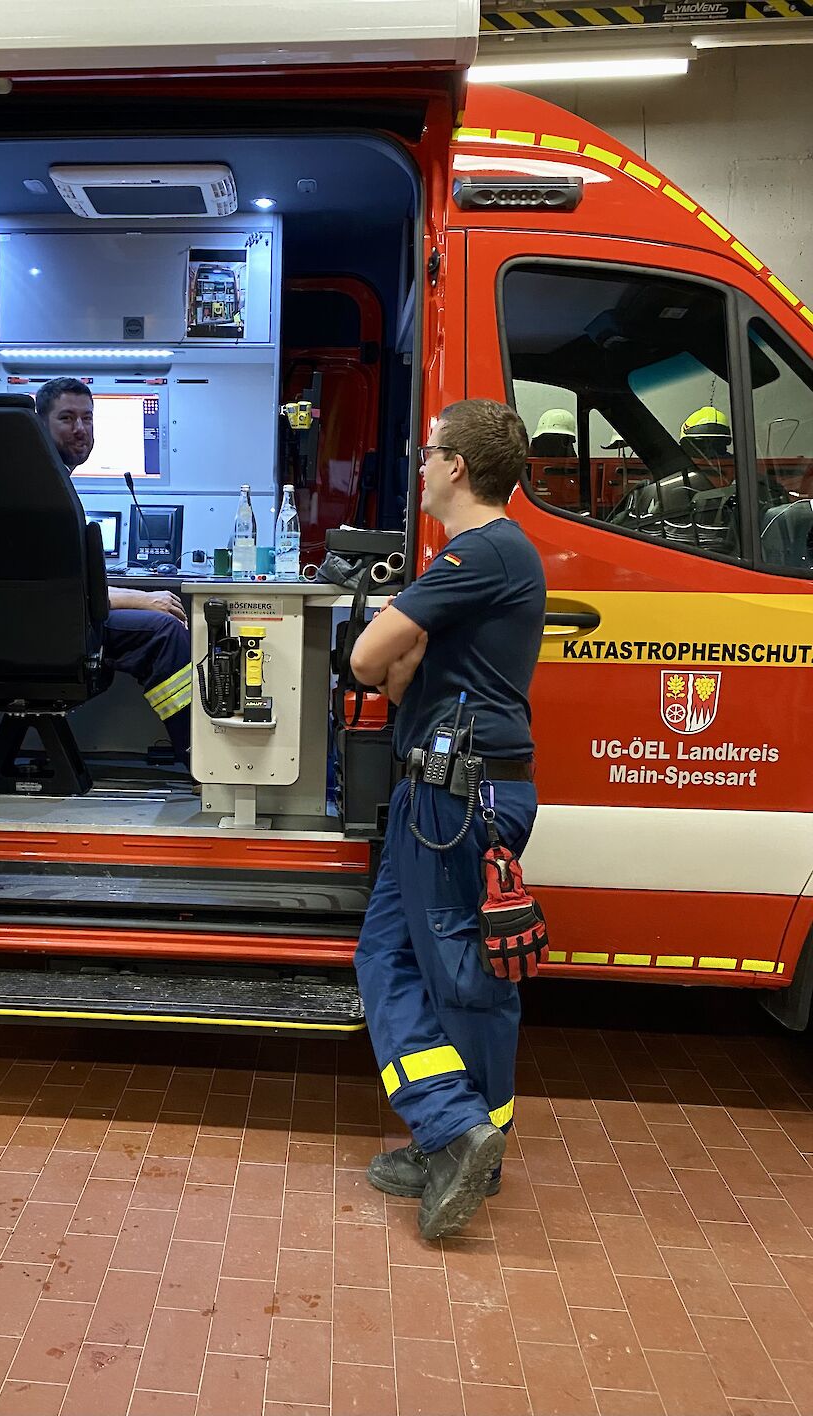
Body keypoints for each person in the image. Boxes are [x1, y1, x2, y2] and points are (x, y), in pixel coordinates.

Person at [349, 398, 546, 1240]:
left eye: (429, 454)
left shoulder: (479, 552)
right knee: (387, 956)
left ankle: (467, 1137)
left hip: (456, 797)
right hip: (438, 785)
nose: (421, 466)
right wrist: (409, 661)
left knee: (462, 977)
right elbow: (395, 685)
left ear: (457, 467)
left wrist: (395, 647)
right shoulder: (487, 558)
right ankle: (448, 1132)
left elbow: (363, 658)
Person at [35, 377, 192, 763]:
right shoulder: (42, 490)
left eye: (87, 418)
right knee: (165, 632)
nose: (80, 429)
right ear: (40, 424)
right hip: (51, 629)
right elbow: (68, 593)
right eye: (67, 418)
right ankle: (198, 754)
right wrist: (143, 599)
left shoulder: (43, 480)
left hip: (35, 623)